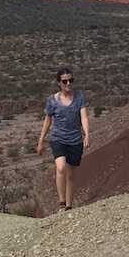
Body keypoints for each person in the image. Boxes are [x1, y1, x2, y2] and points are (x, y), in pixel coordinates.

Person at [36, 67, 89, 211]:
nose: (68, 84)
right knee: (60, 167)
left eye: (70, 80)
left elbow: (83, 117)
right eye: (65, 81)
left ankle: (69, 206)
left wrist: (87, 134)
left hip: (75, 140)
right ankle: (61, 202)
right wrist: (41, 141)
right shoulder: (52, 100)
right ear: (59, 83)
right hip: (58, 138)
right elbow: (47, 121)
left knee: (71, 174)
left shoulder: (79, 97)